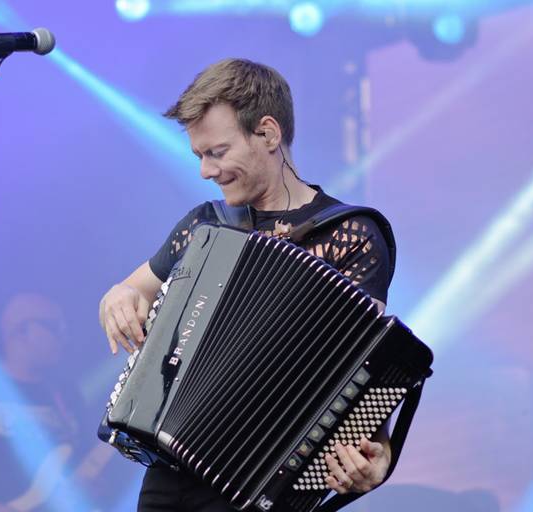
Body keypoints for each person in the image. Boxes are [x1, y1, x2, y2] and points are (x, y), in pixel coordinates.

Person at [99, 58, 394, 511]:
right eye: (199, 156)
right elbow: (132, 289)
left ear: (268, 134)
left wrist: (380, 450)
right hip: (172, 472)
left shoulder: (349, 235)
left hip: (265, 479)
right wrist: (117, 296)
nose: (205, 171)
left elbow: (362, 362)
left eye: (217, 152)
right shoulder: (204, 226)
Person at [0, 293, 112, 511]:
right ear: (20, 331)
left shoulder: (66, 393)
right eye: (54, 327)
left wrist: (92, 486)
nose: (63, 337)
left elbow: (84, 461)